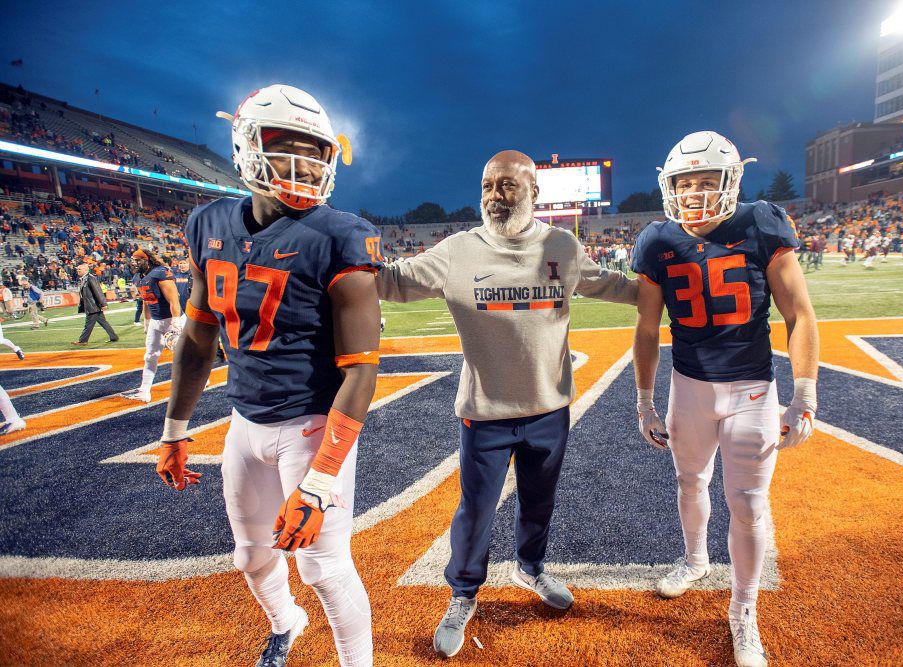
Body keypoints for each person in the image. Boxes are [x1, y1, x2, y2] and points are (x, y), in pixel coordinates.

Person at [377, 150, 637, 659]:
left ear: (533, 193)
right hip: (485, 413)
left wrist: (673, 285)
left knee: (539, 503)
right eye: (488, 185)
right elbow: (390, 282)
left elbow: (614, 285)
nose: (495, 196)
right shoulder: (456, 251)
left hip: (548, 410)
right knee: (475, 511)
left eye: (508, 186)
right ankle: (464, 592)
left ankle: (531, 567)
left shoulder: (562, 244)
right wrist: (338, 259)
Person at [155, 84, 380, 667]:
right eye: (285, 148)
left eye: (315, 152)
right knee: (252, 558)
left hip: (311, 424)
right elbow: (200, 334)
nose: (303, 165)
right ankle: (286, 624)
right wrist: (175, 428)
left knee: (324, 567)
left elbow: (361, 373)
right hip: (243, 422)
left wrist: (319, 482)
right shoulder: (208, 223)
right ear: (246, 145)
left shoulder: (340, 234)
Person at [631, 131, 819, 667]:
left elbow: (799, 313)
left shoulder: (761, 223)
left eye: (705, 180)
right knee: (689, 481)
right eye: (684, 182)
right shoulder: (657, 240)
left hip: (752, 388)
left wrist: (803, 392)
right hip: (688, 386)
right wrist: (644, 399)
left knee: (750, 506)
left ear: (730, 181)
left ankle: (744, 611)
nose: (692, 191)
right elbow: (647, 328)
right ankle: (694, 560)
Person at [121, 249, 182, 403]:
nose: (134, 264)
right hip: (155, 321)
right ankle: (144, 391)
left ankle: (201, 378)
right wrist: (147, 321)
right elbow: (146, 300)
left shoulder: (160, 273)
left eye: (137, 261)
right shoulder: (138, 277)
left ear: (146, 259)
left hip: (170, 319)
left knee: (181, 353)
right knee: (150, 356)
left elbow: (174, 298)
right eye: (133, 261)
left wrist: (176, 319)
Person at [72, 262, 118, 345]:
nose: (78, 270)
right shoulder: (84, 278)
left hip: (93, 306)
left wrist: (104, 304)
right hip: (92, 306)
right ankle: (113, 337)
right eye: (77, 269)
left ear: (86, 269)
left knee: (88, 324)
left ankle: (83, 340)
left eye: (80, 269)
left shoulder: (90, 278)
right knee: (104, 323)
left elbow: (98, 291)